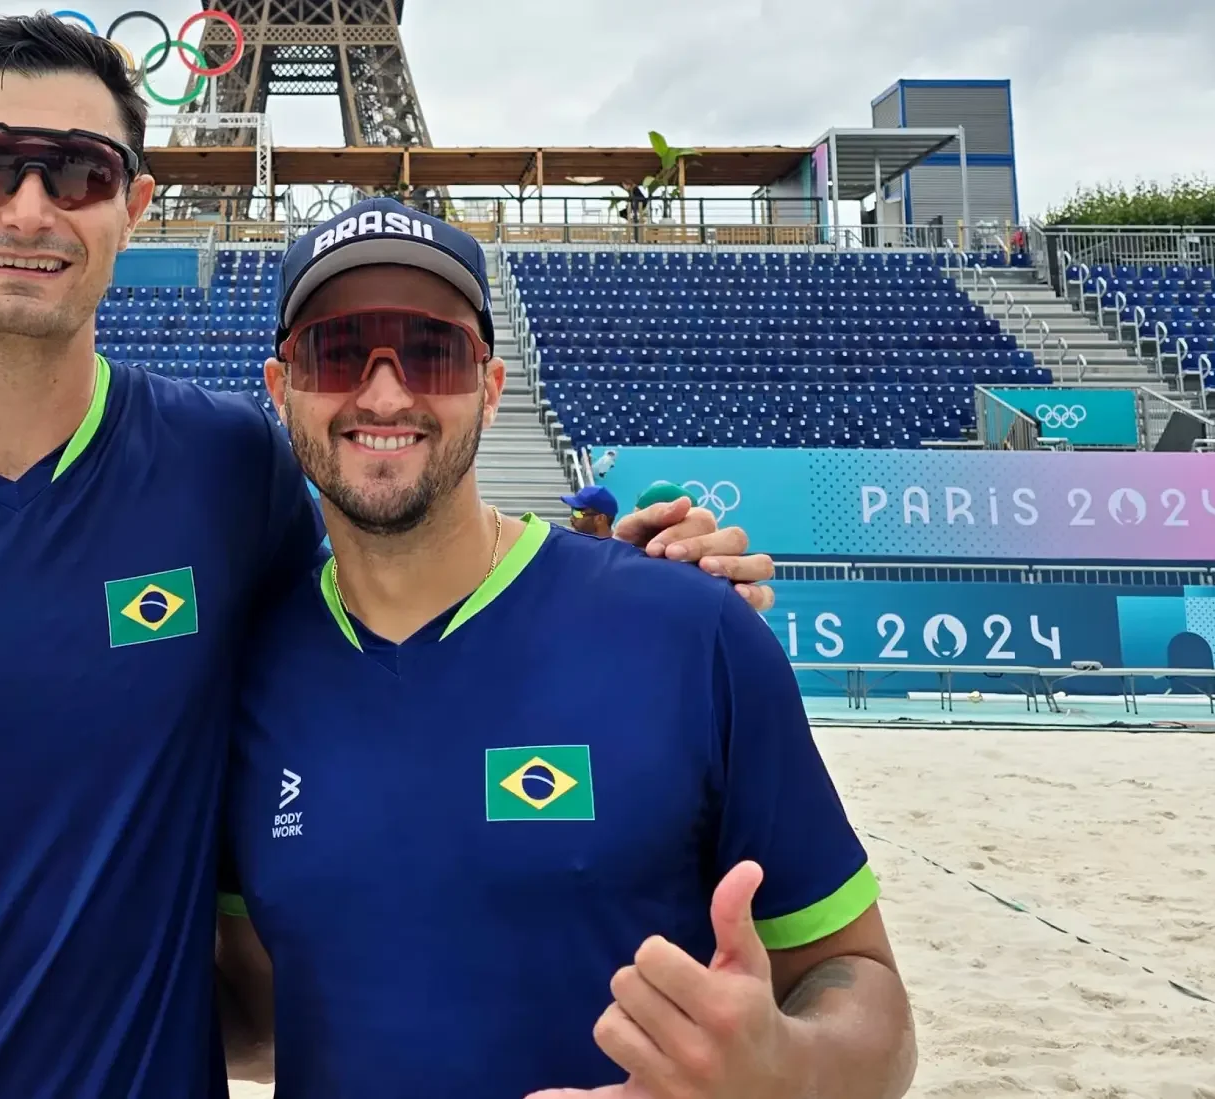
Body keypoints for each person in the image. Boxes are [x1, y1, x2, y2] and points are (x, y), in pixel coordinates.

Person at [0, 17, 775, 1099]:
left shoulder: (225, 469)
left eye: (77, 172)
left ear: (134, 207)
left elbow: (406, 596)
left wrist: (624, 582)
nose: (30, 206)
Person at [216, 201, 916, 1099]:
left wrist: (782, 1070)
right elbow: (263, 1018)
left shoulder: (690, 630)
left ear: (492, 384)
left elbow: (866, 992)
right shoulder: (250, 669)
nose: (384, 393)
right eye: (337, 351)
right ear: (280, 388)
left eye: (430, 350)